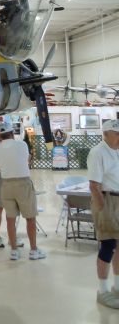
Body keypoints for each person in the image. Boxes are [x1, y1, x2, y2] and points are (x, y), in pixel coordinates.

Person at [0, 122, 46, 261]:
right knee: (30, 217)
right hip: (23, 183)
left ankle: (14, 251)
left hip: (6, 185)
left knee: (10, 218)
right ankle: (34, 250)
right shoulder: (22, 145)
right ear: (12, 133)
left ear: (0, 134)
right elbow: (27, 160)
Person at [87, 119, 119, 309]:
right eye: (117, 134)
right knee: (107, 245)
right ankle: (103, 290)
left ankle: (117, 285)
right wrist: (102, 208)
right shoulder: (98, 152)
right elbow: (94, 185)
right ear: (106, 134)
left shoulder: (116, 151)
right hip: (106, 200)